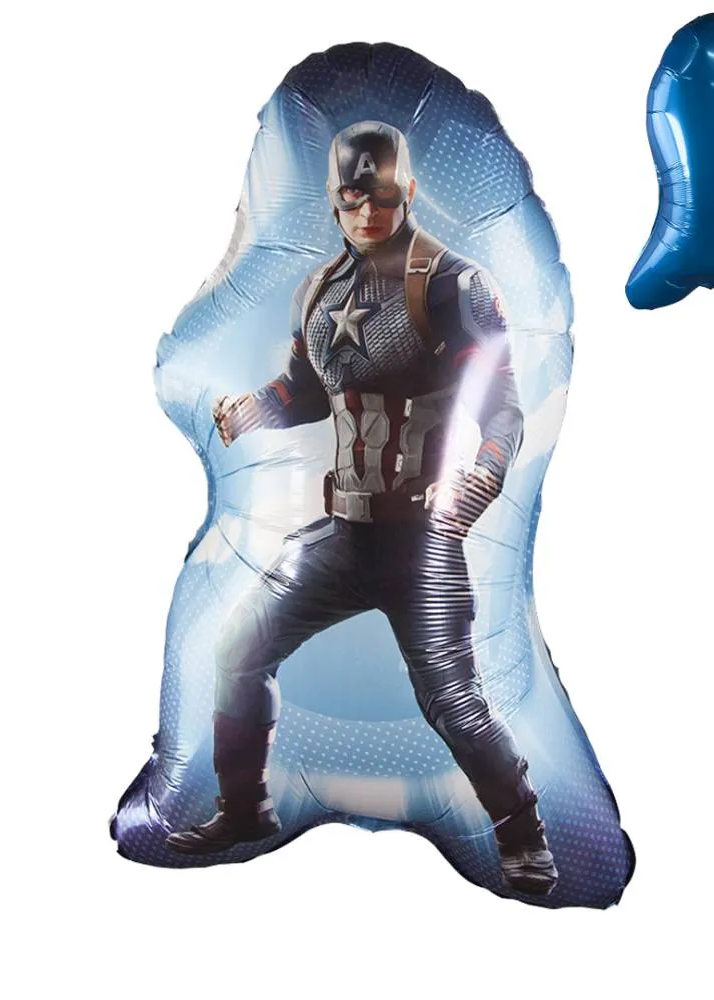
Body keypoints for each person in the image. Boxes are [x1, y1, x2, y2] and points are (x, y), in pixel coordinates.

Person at [166, 121, 557, 895]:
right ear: (334, 200)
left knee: (453, 701)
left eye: (380, 197)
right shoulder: (321, 290)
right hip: (343, 533)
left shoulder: (452, 285)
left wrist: (476, 482)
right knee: (237, 650)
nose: (367, 213)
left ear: (407, 190)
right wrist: (254, 408)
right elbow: (307, 391)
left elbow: (505, 409)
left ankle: (523, 832)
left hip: (423, 542)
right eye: (352, 200)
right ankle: (244, 810)